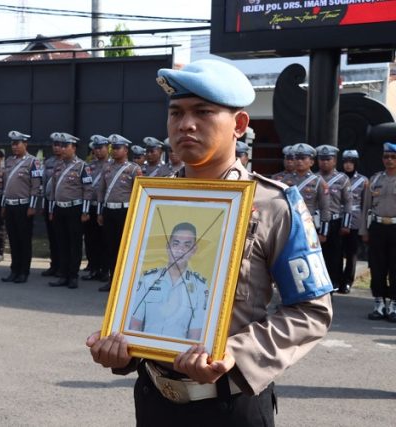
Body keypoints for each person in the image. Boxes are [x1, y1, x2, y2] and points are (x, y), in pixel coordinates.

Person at [87, 59, 333, 426]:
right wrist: (123, 349)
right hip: (154, 398)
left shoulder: (273, 204)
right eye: (176, 113)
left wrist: (234, 353)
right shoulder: (155, 202)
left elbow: (312, 312)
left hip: (230, 407)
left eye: (203, 112)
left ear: (239, 125)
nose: (186, 124)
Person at [129, 222, 208, 340]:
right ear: (167, 246)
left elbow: (195, 335)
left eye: (187, 245)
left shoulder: (200, 288)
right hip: (144, 352)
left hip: (179, 356)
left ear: (194, 250)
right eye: (176, 244)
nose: (180, 250)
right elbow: (134, 325)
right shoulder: (148, 280)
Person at [46, 132, 93, 289]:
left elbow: (88, 190)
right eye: (61, 145)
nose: (63, 149)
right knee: (62, 243)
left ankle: (73, 276)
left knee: (74, 244)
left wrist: (85, 211)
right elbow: (53, 189)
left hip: (75, 208)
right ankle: (63, 274)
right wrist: (52, 208)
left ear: (74, 148)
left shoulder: (82, 166)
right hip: (59, 208)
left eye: (66, 146)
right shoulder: (58, 166)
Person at [97, 134, 142, 292]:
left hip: (125, 211)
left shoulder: (134, 169)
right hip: (109, 210)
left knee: (126, 247)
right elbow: (101, 190)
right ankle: (112, 279)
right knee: (110, 247)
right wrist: (100, 212)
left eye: (117, 148)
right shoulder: (107, 168)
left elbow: (138, 192)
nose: (114, 151)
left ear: (126, 150)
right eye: (113, 148)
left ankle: (126, 282)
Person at [360, 142, 396, 322]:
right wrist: (364, 230)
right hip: (378, 227)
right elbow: (366, 206)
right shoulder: (374, 179)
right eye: (386, 157)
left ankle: (394, 304)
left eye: (393, 157)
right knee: (377, 266)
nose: (389, 160)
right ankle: (379, 303)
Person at [1, 130, 42, 283]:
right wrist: (3, 204)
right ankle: (14, 269)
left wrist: (32, 206)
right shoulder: (10, 161)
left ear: (25, 144)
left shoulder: (33, 162)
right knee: (12, 239)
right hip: (10, 205)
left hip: (24, 206)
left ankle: (24, 271)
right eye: (12, 144)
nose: (14, 147)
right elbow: (6, 185)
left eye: (17, 143)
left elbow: (36, 186)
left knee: (24, 240)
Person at [316, 144, 352, 293]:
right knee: (317, 253)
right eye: (322, 159)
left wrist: (346, 224)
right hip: (317, 221)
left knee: (334, 254)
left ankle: (333, 282)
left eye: (328, 159)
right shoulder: (313, 178)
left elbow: (348, 202)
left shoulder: (342, 179)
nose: (324, 162)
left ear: (334, 161)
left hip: (335, 221)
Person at [285, 143, 330, 242]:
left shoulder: (319, 181)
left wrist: (323, 232)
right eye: (297, 158)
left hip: (309, 224)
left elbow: (325, 208)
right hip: (289, 223)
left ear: (311, 162)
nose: (299, 161)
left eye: (303, 158)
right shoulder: (285, 180)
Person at [82, 135, 111, 282]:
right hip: (91, 206)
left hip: (105, 208)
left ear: (108, 148)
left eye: (101, 148)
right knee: (90, 239)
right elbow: (86, 186)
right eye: (95, 148)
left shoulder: (112, 165)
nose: (97, 151)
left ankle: (105, 270)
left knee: (104, 240)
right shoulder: (89, 166)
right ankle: (93, 267)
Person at [339, 149, 368, 293]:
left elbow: (365, 205)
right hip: (338, 218)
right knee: (337, 252)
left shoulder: (363, 181)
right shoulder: (337, 178)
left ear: (356, 163)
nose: (348, 165)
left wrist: (364, 225)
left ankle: (348, 281)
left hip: (355, 220)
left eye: (351, 162)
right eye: (346, 162)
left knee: (351, 253)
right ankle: (337, 279)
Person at [40, 132, 64, 277]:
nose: (57, 148)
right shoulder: (49, 162)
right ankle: (54, 264)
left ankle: (63, 266)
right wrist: (44, 204)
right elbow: (44, 184)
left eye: (60, 145)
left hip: (62, 202)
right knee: (52, 236)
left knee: (62, 237)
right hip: (49, 202)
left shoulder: (70, 163)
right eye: (55, 145)